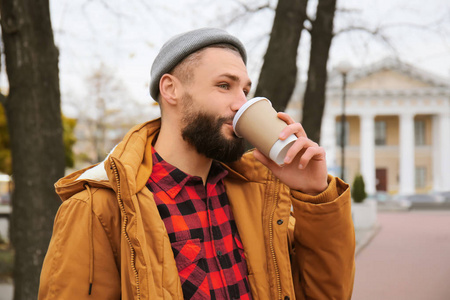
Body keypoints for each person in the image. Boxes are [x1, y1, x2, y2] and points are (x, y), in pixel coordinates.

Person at [39, 28, 355, 300]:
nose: (240, 103)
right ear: (171, 89)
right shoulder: (98, 208)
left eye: (245, 89)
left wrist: (315, 195)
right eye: (224, 85)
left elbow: (328, 294)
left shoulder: (260, 195)